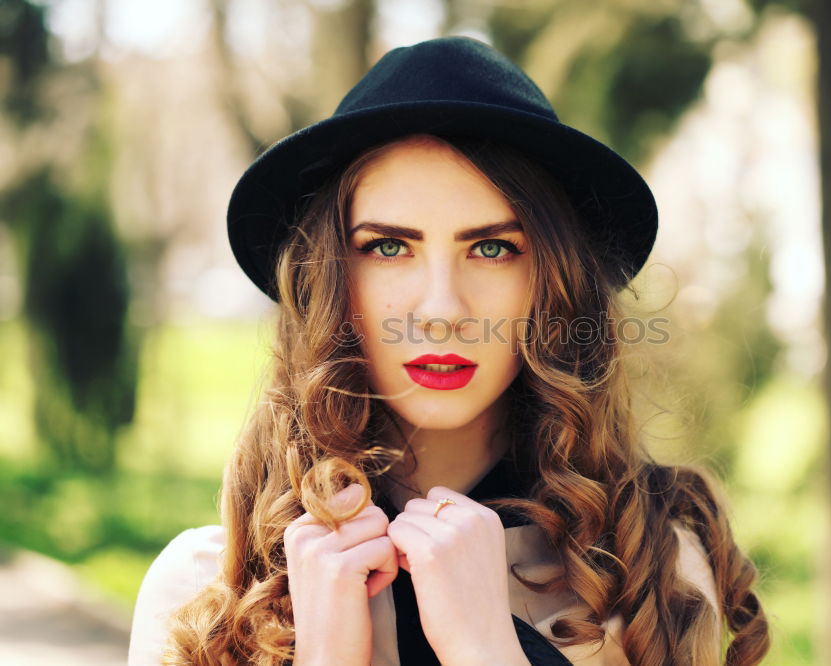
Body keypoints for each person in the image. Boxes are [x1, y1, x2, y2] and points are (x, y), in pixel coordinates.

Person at [127, 36, 770, 666]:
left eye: (491, 248)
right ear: (328, 280)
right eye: (387, 246)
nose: (441, 311)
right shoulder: (206, 594)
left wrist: (485, 650)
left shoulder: (651, 575)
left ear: (555, 283)